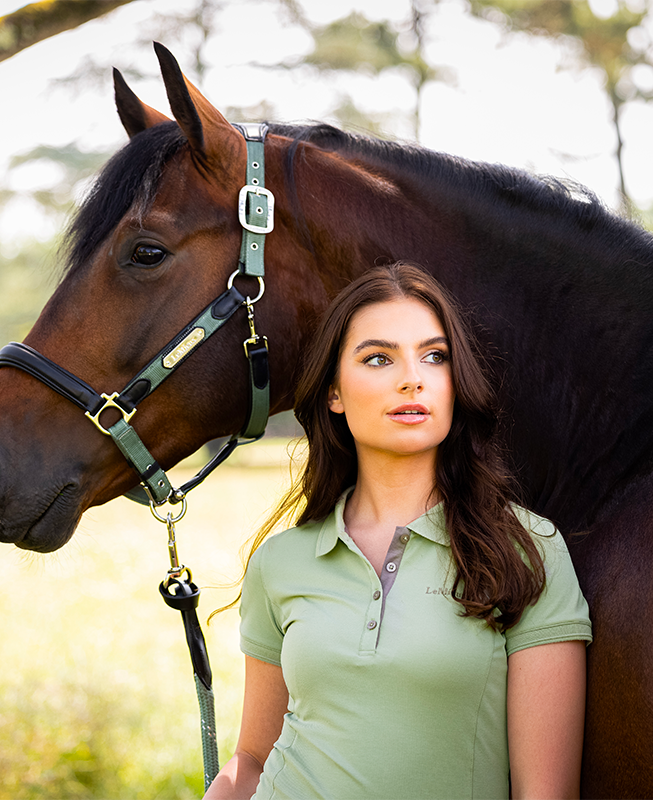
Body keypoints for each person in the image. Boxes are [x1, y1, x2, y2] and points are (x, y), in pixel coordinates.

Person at [205, 262, 591, 800]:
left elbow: (545, 793)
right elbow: (252, 758)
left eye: (435, 356)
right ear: (334, 392)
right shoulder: (282, 561)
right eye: (379, 358)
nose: (413, 377)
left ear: (455, 384)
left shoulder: (525, 550)